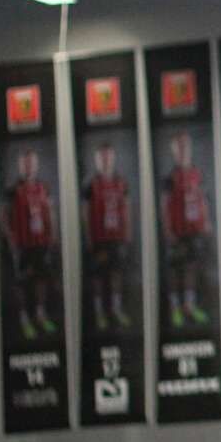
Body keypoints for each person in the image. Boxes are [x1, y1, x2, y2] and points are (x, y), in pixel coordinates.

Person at [0, 148, 59, 341]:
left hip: (41, 242)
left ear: (36, 165)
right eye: (25, 163)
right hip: (22, 245)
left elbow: (51, 211)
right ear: (20, 166)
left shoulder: (43, 187)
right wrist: (10, 237)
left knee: (41, 278)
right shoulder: (12, 189)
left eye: (31, 163)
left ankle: (40, 314)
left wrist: (53, 234)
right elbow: (2, 215)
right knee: (22, 282)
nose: (28, 166)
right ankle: (24, 319)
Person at [160, 133, 212, 330]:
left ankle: (189, 306)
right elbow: (164, 205)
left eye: (185, 146)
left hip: (194, 229)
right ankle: (175, 308)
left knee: (191, 267)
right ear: (174, 151)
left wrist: (206, 222)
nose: (182, 150)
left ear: (189, 148)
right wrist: (167, 230)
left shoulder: (197, 173)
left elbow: (203, 199)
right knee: (175, 270)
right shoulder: (169, 177)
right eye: (178, 147)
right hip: (177, 231)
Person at [82, 143, 133, 333]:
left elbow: (127, 208)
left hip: (117, 237)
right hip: (98, 239)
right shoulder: (91, 184)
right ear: (97, 160)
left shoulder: (121, 182)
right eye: (101, 157)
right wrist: (88, 237)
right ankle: (99, 313)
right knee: (98, 276)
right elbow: (85, 213)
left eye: (108, 157)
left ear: (113, 159)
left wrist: (128, 232)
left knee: (116, 274)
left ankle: (116, 309)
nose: (105, 161)